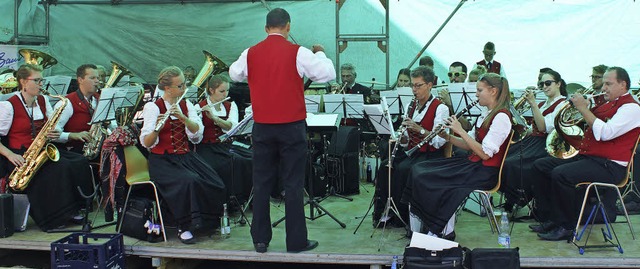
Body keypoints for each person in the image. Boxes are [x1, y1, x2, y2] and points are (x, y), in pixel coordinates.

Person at [228, 8, 335, 253]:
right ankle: (296, 242)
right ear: (288, 27)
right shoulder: (299, 52)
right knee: (293, 183)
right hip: (291, 127)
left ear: (266, 28)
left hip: (263, 127)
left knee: (262, 182)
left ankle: (260, 239)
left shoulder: (250, 52)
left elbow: (235, 73)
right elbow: (327, 74)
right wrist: (321, 53)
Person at [531, 67, 640, 241]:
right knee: (541, 166)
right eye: (603, 83)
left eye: (608, 84)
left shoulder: (632, 108)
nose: (603, 88)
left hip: (611, 166)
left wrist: (583, 109)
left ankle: (567, 226)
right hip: (592, 158)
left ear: (623, 84)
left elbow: (605, 133)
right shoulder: (608, 102)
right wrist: (586, 108)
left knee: (562, 174)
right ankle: (550, 217)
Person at [401, 73, 512, 240]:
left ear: (493, 91)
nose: (476, 94)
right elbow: (469, 144)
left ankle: (440, 229)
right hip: (473, 165)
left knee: (434, 180)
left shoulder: (502, 117)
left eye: (479, 90)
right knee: (419, 169)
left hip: (485, 172)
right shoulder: (486, 113)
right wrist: (448, 137)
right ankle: (422, 227)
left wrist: (460, 130)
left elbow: (484, 153)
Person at [0, 64, 93, 231]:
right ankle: (55, 218)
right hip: (20, 155)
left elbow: (53, 126)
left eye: (41, 80)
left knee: (78, 161)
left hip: (41, 149)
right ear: (23, 82)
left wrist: (56, 133)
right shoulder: (9, 105)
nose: (41, 84)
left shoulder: (42, 101)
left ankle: (75, 208)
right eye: (36, 80)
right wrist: (10, 155)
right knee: (59, 168)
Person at [139, 66, 226, 244]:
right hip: (162, 160)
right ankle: (184, 227)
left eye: (183, 84)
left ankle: (205, 223)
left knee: (214, 181)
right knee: (189, 181)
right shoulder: (153, 108)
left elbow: (196, 135)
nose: (183, 88)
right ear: (168, 89)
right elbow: (147, 143)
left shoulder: (187, 105)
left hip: (185, 157)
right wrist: (158, 128)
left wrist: (184, 119)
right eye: (180, 86)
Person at [373, 66, 449, 227]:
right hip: (413, 152)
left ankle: (406, 218)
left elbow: (439, 142)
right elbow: (407, 140)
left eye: (418, 85)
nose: (414, 90)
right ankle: (387, 212)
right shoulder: (411, 106)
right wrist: (401, 138)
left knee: (403, 170)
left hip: (431, 155)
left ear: (430, 85)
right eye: (412, 85)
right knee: (386, 167)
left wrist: (418, 129)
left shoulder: (441, 108)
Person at [500, 70, 568, 212]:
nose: (544, 87)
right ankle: (511, 197)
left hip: (545, 144)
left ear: (558, 84)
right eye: (541, 84)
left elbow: (543, 127)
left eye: (548, 83)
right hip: (533, 140)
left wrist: (533, 104)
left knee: (512, 164)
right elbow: (534, 128)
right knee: (501, 157)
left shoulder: (562, 104)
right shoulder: (544, 103)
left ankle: (517, 198)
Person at [195, 74, 252, 206]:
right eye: (222, 91)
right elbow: (196, 134)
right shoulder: (199, 107)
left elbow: (231, 127)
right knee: (232, 162)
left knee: (250, 158)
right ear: (211, 90)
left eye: (227, 91)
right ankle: (229, 202)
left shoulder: (230, 105)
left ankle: (247, 199)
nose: (225, 94)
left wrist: (214, 118)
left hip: (224, 145)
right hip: (207, 147)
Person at [54, 64, 104, 154]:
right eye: (92, 78)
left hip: (97, 147)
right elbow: (53, 134)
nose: (97, 81)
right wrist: (72, 135)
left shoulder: (100, 99)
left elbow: (112, 126)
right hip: (74, 151)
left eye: (98, 78)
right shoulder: (66, 103)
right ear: (80, 80)